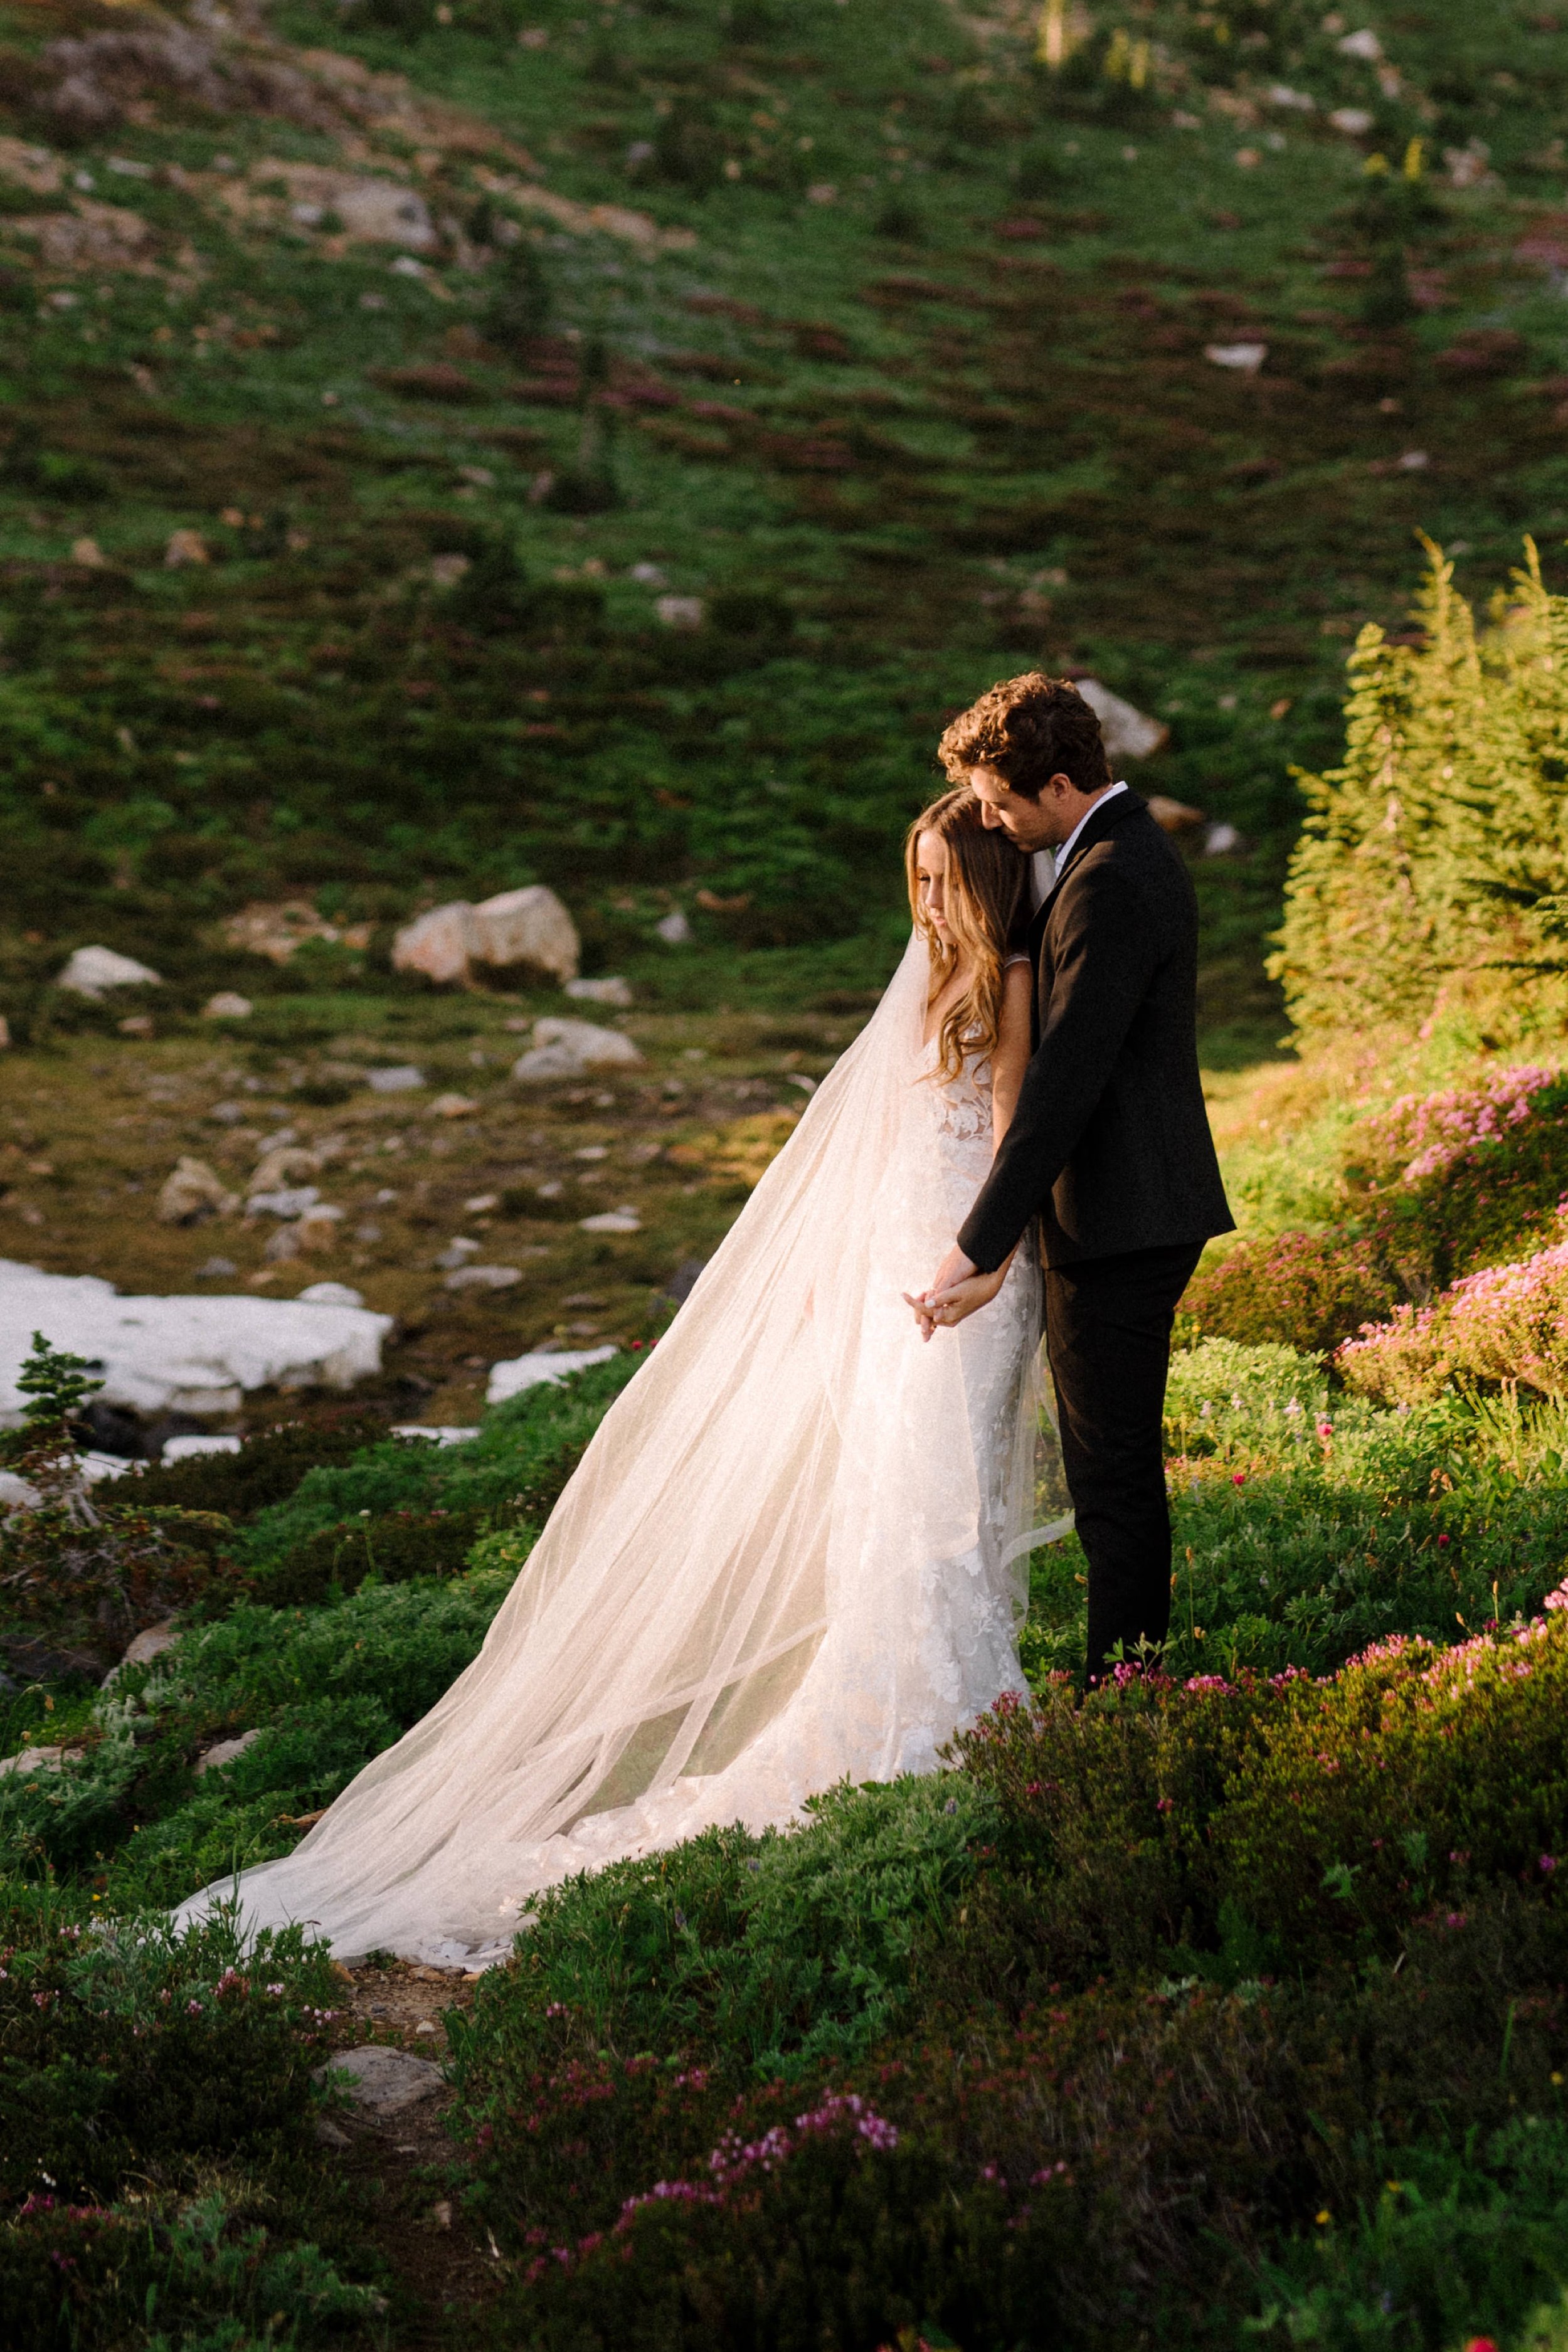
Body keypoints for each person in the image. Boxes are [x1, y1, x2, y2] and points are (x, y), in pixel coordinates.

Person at [176, 791, 1067, 1966]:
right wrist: (845, 1272)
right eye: (918, 878)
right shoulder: (928, 984)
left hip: (969, 1278)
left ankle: (951, 1718)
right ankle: (909, 1724)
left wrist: (984, 1264)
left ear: (990, 884)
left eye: (945, 878)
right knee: (894, 1506)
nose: (928, 900)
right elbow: (877, 1144)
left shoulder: (1007, 980)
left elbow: (1010, 1141)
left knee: (952, 1507)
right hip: (898, 1275)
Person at [910, 672, 1234, 1683]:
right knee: (1110, 1473)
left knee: (1115, 1481)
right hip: (1118, 1213)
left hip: (1123, 1221)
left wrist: (979, 1243)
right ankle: (1126, 1684)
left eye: (1001, 803)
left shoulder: (1112, 878)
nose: (992, 822)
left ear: (1056, 783)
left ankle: (1128, 1693)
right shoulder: (1093, 853)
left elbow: (1064, 1088)